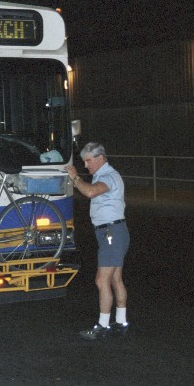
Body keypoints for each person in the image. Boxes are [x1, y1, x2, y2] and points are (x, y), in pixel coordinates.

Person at [65, 142, 130, 341]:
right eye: (84, 161)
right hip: (114, 232)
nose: (85, 165)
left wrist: (75, 177)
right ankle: (120, 322)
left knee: (101, 280)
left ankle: (102, 326)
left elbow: (91, 192)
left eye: (88, 160)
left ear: (100, 158)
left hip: (111, 232)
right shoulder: (103, 175)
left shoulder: (109, 176)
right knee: (115, 279)